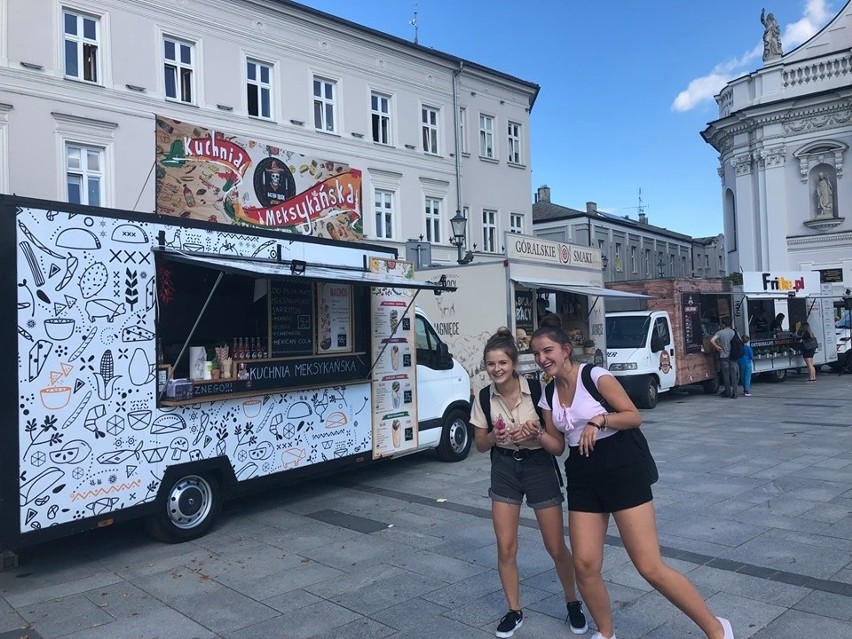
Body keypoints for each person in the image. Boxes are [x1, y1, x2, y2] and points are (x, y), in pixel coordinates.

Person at [528, 325, 735, 639]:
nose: (542, 358)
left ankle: (717, 628)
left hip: (622, 467)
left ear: (565, 349)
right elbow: (558, 446)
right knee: (584, 563)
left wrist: (600, 420)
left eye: (547, 350)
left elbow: (633, 415)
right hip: (582, 475)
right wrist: (538, 434)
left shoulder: (594, 376)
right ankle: (607, 633)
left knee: (649, 566)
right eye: (536, 354)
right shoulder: (547, 395)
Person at [470, 328, 587, 638]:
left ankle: (573, 602)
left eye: (502, 363)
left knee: (555, 546)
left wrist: (535, 433)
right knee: (506, 546)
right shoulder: (483, 396)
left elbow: (557, 446)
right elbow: (480, 443)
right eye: (490, 364)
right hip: (505, 469)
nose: (496, 369)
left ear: (514, 364)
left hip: (538, 468)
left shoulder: (539, 392)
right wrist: (494, 437)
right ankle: (514, 610)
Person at [710, 318, 740, 399]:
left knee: (726, 376)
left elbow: (712, 340)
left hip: (724, 356)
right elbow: (739, 342)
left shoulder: (720, 332)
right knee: (734, 375)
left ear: (723, 324)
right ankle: (735, 393)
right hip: (733, 356)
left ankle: (728, 392)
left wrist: (717, 347)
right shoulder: (734, 332)